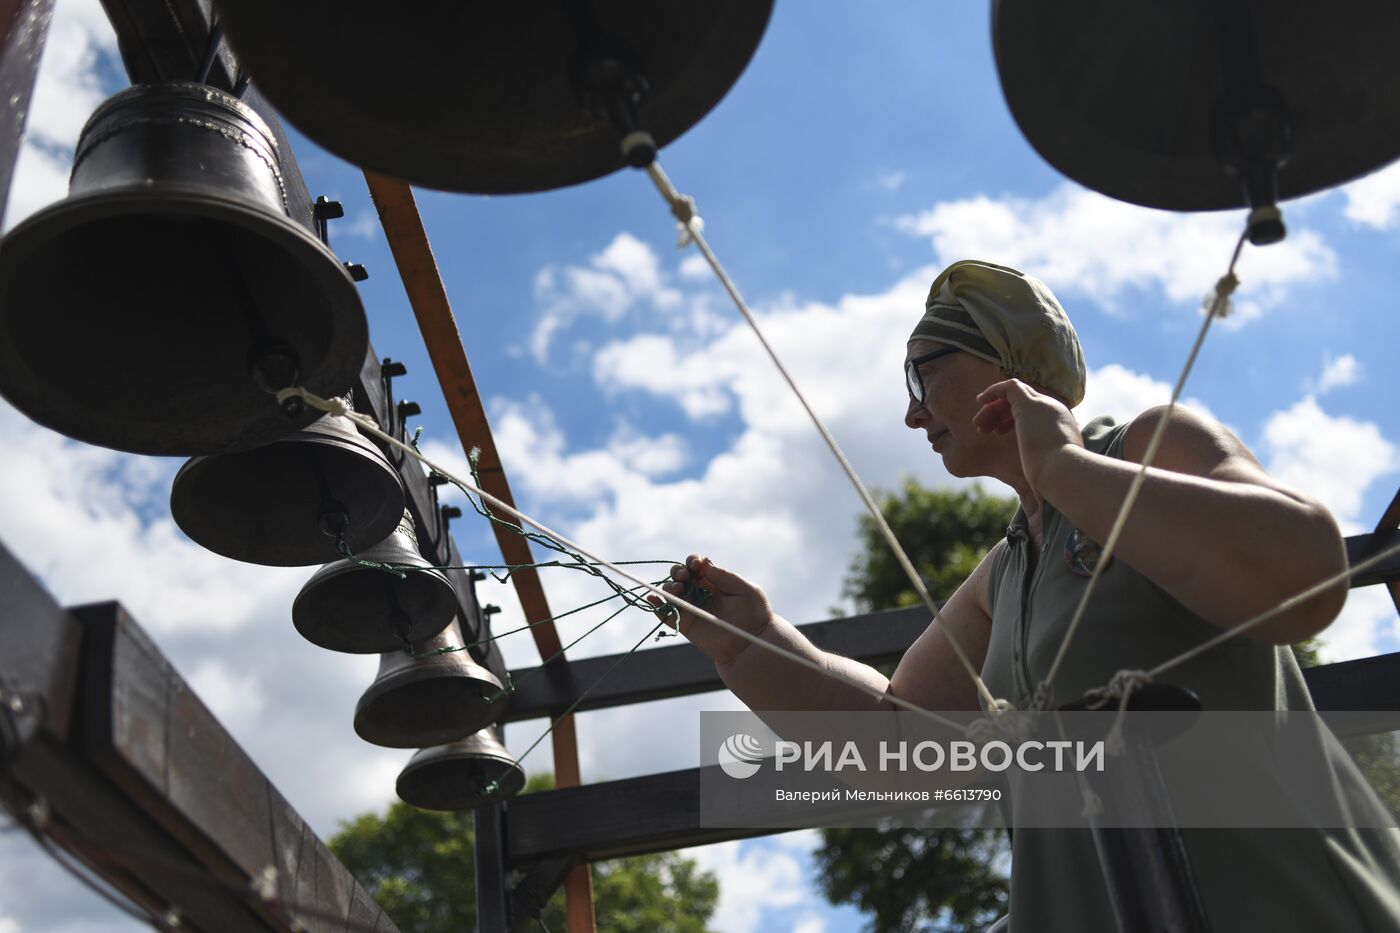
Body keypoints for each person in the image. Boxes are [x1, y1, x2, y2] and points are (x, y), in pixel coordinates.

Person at [656, 259, 1400, 931]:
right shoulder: (1001, 574)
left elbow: (1304, 576)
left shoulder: (1150, 443)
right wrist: (748, 639)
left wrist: (1064, 466)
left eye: (920, 377)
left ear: (998, 361)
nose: (912, 413)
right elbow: (896, 747)